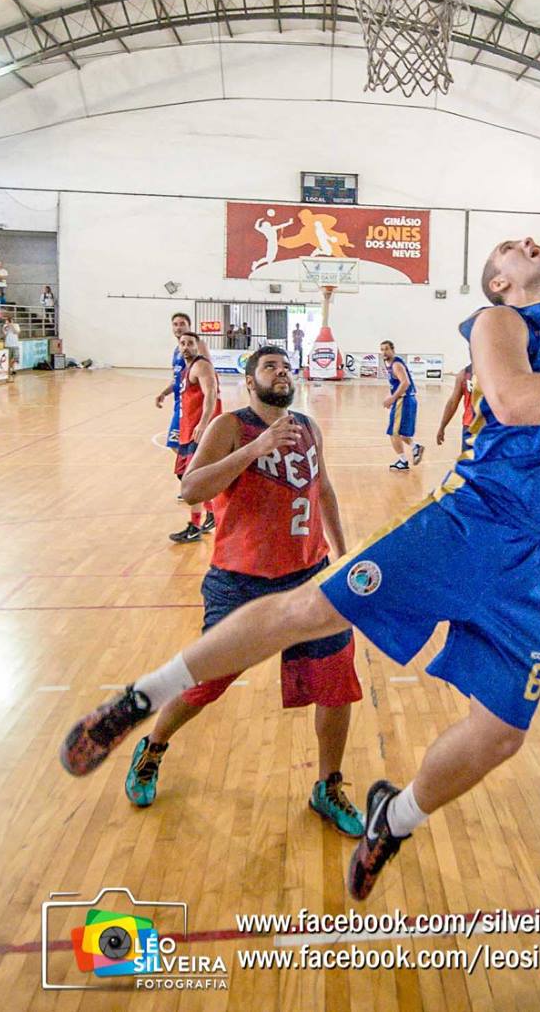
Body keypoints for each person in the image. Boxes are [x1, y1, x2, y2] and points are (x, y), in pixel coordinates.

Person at [56, 34, 540, 901]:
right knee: (303, 610)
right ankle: (142, 697)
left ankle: (393, 818)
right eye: (507, 251)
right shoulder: (496, 326)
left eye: (524, 241)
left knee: (505, 730)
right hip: (471, 521)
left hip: (536, 554)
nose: (522, 241)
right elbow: (511, 404)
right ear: (499, 284)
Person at [121, 345, 364, 835]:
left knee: (336, 684)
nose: (282, 373)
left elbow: (325, 491)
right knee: (205, 683)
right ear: (250, 382)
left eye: (286, 367)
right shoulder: (231, 427)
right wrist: (256, 448)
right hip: (241, 582)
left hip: (309, 579)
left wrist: (340, 556)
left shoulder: (308, 428)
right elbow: (191, 490)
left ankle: (328, 784)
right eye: (270, 367)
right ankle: (153, 749)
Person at [169, 331, 222, 541]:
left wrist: (203, 423)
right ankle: (210, 513)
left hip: (199, 431)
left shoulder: (201, 365)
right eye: (182, 343)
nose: (185, 347)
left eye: (190, 343)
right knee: (185, 476)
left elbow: (211, 393)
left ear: (198, 346)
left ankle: (195, 525)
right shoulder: (187, 369)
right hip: (187, 429)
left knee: (193, 481)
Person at [154, 309, 193, 453]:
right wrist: (164, 393)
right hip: (179, 403)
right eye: (175, 324)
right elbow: (177, 379)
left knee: (175, 444)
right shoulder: (177, 350)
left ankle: (194, 473)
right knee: (182, 446)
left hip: (189, 404)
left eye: (182, 324)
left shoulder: (196, 348)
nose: (178, 327)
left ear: (189, 326)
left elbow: (207, 376)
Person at [380, 339, 422, 469]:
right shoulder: (392, 364)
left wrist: (392, 398)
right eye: (382, 349)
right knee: (402, 433)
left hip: (404, 400)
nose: (384, 352)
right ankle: (416, 448)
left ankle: (403, 461)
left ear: (393, 350)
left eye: (386, 349)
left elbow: (405, 383)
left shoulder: (396, 365)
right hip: (408, 400)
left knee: (393, 433)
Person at [435, 364, 474, 450]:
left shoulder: (464, 374)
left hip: (490, 427)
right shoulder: (464, 374)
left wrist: (442, 427)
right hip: (472, 426)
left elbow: (453, 402)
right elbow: (453, 402)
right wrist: (442, 426)